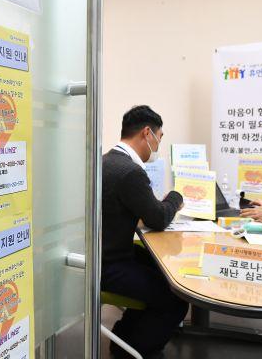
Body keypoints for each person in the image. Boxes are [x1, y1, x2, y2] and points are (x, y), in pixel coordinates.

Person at [102, 105, 188, 358]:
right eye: (159, 137)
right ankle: (132, 350)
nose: (158, 145)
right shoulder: (130, 172)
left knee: (162, 273)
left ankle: (124, 337)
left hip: (104, 254)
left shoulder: (107, 160)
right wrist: (175, 196)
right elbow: (159, 218)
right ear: (147, 133)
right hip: (110, 265)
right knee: (175, 297)